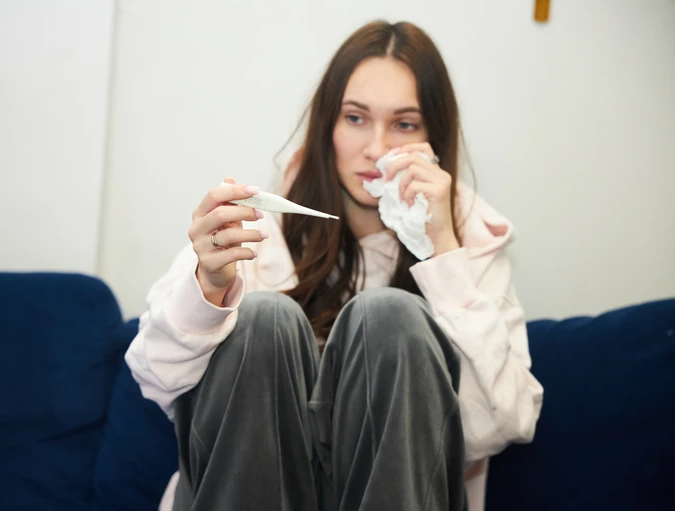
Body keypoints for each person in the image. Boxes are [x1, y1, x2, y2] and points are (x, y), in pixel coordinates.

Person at [126, 19, 544, 511]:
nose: (377, 148)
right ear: (328, 124)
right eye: (356, 118)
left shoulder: (470, 244)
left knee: (390, 317)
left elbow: (505, 423)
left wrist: (445, 253)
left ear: (434, 136)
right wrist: (209, 287)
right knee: (264, 319)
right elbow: (154, 376)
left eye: (404, 124)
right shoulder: (258, 229)